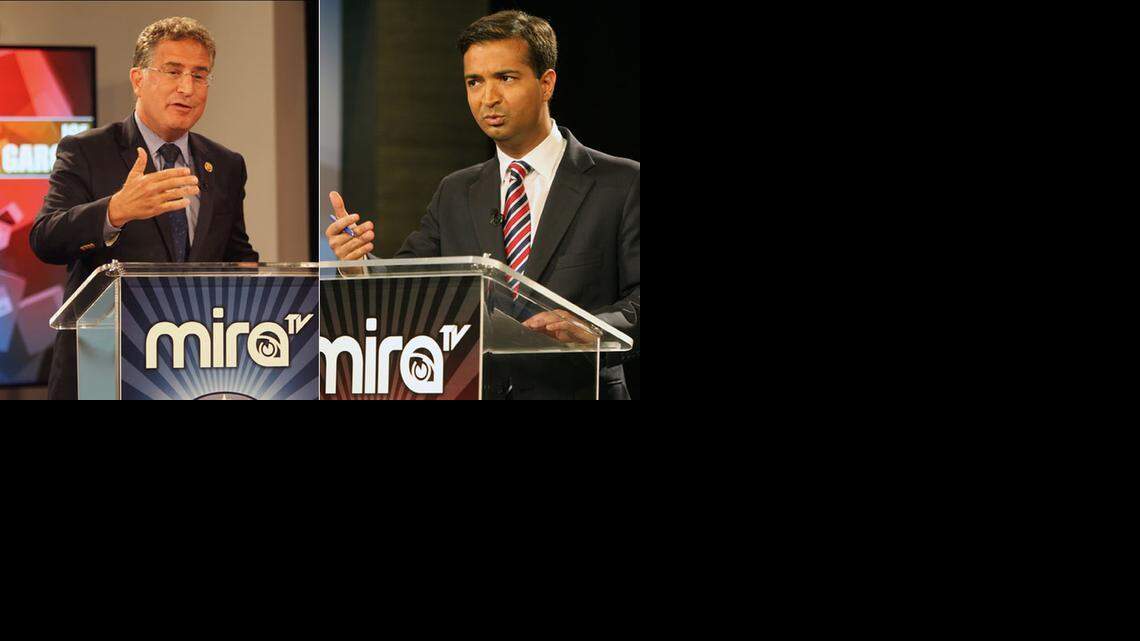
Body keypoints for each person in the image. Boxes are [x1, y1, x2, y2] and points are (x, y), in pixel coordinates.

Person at [325, 10, 640, 399]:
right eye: (474, 82)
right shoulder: (455, 192)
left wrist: (593, 329)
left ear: (546, 83)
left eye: (505, 78)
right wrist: (357, 265)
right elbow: (407, 288)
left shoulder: (621, 183)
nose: (488, 98)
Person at [31, 17, 259, 400]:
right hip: (105, 370)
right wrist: (115, 211)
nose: (187, 87)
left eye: (199, 75)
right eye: (173, 71)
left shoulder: (225, 164)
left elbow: (236, 254)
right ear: (138, 79)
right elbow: (45, 238)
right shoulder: (86, 151)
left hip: (192, 372)